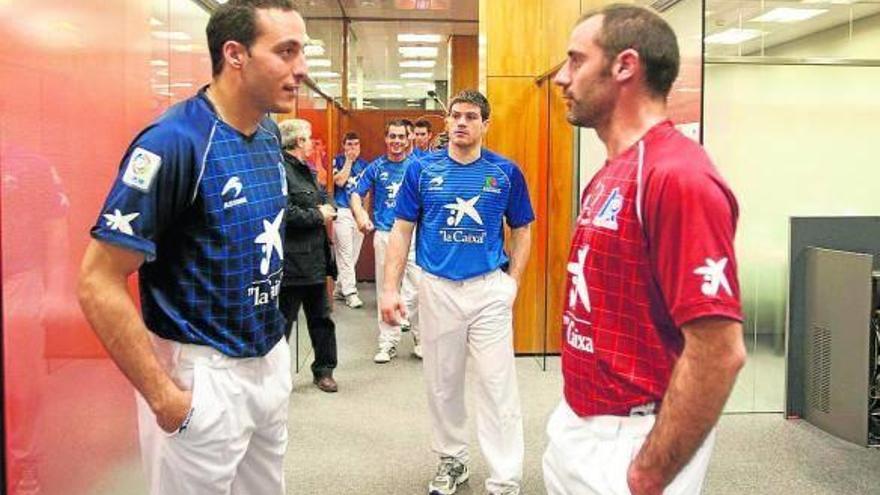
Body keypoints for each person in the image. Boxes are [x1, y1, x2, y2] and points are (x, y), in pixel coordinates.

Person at [76, 1, 307, 493]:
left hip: (267, 358)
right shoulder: (174, 142)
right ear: (235, 54)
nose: (301, 68)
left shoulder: (268, 134)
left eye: (300, 52)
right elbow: (97, 280)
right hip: (202, 374)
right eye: (286, 52)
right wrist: (163, 396)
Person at [544, 5, 747, 495]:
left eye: (576, 60)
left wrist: (648, 473)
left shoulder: (678, 176)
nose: (562, 77)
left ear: (624, 66)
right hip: (583, 420)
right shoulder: (613, 170)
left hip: (632, 438)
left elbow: (719, 351)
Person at [381, 90, 534, 495]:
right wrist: (389, 289)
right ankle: (452, 459)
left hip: (488, 289)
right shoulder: (420, 169)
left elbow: (522, 229)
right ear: (446, 122)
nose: (462, 122)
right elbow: (401, 230)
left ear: (485, 124)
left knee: (497, 384)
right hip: (437, 288)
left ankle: (505, 479)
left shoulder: (505, 172)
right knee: (442, 380)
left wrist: (513, 282)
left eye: (471, 116)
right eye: (456, 115)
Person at [350, 120, 422, 363]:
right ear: (386, 138)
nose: (397, 141)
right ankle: (387, 343)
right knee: (386, 288)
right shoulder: (376, 167)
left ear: (408, 138)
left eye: (401, 136)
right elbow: (355, 194)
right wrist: (361, 215)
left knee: (419, 289)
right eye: (392, 136)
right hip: (385, 234)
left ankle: (421, 339)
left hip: (413, 234)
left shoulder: (418, 166)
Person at [278, 118, 339, 393]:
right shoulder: (280, 171)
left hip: (315, 260)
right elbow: (284, 212)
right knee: (282, 324)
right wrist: (317, 215)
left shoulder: (308, 170)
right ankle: (275, 377)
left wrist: (327, 207)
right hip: (291, 264)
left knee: (322, 320)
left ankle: (324, 371)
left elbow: (325, 196)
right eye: (309, 138)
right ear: (299, 141)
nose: (312, 143)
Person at [331, 131, 369, 308]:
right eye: (349, 144)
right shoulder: (337, 160)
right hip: (342, 211)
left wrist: (365, 214)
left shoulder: (365, 165)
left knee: (353, 255)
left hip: (358, 212)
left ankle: (340, 287)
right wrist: (348, 161)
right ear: (344, 146)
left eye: (356, 144)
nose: (353, 148)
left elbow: (366, 193)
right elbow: (339, 182)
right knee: (345, 253)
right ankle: (350, 292)